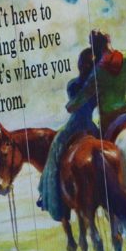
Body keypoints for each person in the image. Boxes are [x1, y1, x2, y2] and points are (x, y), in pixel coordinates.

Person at [37, 46, 100, 220]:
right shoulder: (83, 84)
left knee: (55, 152)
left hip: (77, 125)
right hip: (88, 125)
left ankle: (47, 193)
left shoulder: (76, 84)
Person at [66, 30, 126, 140]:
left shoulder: (97, 73)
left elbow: (82, 97)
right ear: (109, 39)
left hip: (108, 122)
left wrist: (70, 106)